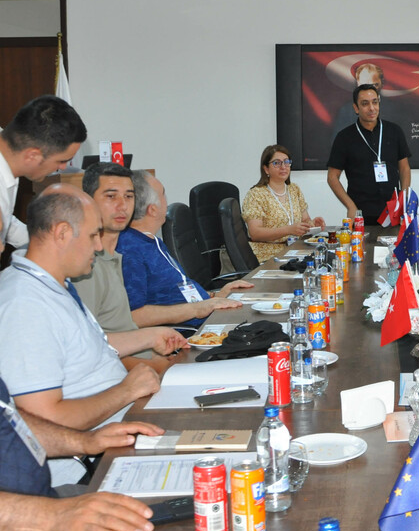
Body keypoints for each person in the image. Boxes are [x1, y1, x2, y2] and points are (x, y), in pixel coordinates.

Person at [0, 186, 181, 432]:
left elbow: (84, 346)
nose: (98, 246)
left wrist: (149, 336)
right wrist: (126, 391)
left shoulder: (51, 283)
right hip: (101, 442)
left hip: (126, 415)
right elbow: (41, 420)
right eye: (93, 235)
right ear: (62, 233)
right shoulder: (25, 304)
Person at [0, 375, 162, 531]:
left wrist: (82, 441)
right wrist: (53, 515)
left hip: (45, 500)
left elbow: (8, 416)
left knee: (162, 514)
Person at [72, 162, 187, 372]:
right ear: (88, 201)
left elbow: (125, 332)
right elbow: (89, 347)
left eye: (128, 196)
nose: (122, 205)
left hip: (148, 361)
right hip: (124, 376)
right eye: (111, 196)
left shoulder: (115, 257)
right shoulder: (85, 268)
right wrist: (158, 367)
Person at [117, 171, 252, 330]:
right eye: (163, 194)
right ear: (152, 209)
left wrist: (216, 296)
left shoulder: (151, 241)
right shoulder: (129, 250)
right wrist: (196, 309)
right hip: (189, 332)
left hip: (205, 318)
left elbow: (175, 291)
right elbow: (133, 316)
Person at [0, 95, 86, 249]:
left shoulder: (9, 155)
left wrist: (48, 242)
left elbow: (6, 219)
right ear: (32, 156)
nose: (63, 167)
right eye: (61, 161)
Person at [327, 83, 411, 224]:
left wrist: (403, 199)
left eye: (375, 102)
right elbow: (332, 177)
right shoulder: (344, 137)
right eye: (365, 104)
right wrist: (350, 206)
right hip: (361, 214)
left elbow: (404, 168)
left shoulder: (394, 131)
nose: (372, 108)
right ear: (356, 108)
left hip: (393, 212)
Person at [242, 145, 326, 262]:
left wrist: (312, 224)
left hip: (295, 250)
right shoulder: (256, 194)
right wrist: (288, 230)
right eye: (277, 163)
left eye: (287, 162)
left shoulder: (294, 189)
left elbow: (305, 219)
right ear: (266, 169)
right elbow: (255, 233)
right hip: (268, 255)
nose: (283, 167)